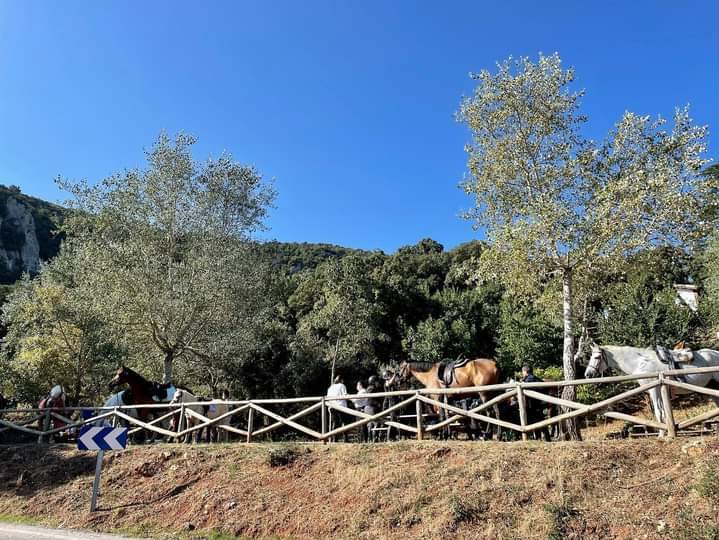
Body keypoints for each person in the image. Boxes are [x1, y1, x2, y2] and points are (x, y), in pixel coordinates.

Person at [521, 366, 551, 442]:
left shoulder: (529, 379)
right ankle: (543, 438)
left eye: (523, 372)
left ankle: (541, 438)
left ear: (525, 371)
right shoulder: (536, 378)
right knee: (539, 421)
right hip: (539, 403)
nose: (522, 373)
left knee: (538, 420)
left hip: (534, 404)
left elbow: (526, 387)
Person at [326, 375, 350, 441]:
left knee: (335, 423)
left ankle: (334, 439)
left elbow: (328, 398)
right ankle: (345, 439)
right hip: (341, 406)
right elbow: (345, 395)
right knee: (344, 422)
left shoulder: (330, 387)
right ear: (341, 380)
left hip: (332, 406)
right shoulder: (342, 385)